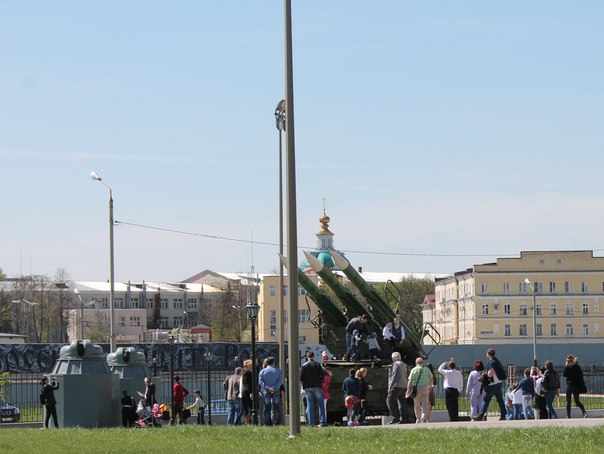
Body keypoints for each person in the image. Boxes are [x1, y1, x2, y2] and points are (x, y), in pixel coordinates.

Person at [474, 348, 507, 421]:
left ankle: (480, 416)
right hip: (499, 382)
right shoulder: (497, 361)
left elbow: (490, 373)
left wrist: (485, 375)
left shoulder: (492, 362)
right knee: (500, 400)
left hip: (493, 384)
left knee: (486, 399)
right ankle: (503, 415)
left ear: (488, 354)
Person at [300, 351, 326, 427]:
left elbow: (301, 377)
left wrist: (305, 383)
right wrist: (321, 381)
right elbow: (323, 375)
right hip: (317, 386)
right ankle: (322, 422)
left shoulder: (304, 366)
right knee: (321, 404)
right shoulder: (317, 365)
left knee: (309, 405)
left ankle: (311, 423)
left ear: (307, 357)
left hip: (308, 387)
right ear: (313, 356)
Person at [258, 356, 283, 426]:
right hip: (276, 390)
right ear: (274, 362)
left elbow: (260, 382)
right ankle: (277, 423)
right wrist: (274, 387)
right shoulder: (278, 371)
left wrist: (267, 388)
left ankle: (267, 423)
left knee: (267, 407)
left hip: (266, 391)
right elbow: (280, 381)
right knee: (276, 407)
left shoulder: (262, 371)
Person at [406, 357, 432, 423]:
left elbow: (410, 381)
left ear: (416, 363)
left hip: (416, 389)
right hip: (425, 388)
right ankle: (423, 418)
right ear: (422, 362)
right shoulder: (427, 369)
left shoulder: (413, 370)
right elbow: (431, 379)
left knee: (417, 405)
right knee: (425, 404)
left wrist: (408, 389)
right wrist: (430, 386)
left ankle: (418, 418)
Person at [386, 351, 407, 424]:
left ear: (394, 358)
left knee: (389, 401)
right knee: (402, 403)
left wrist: (391, 387)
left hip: (397, 386)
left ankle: (395, 418)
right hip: (403, 386)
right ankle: (403, 419)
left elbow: (395, 376)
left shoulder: (396, 364)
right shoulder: (403, 364)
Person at [241, 359, 253, 424]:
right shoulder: (248, 374)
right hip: (248, 392)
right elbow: (248, 385)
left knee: (247, 408)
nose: (252, 367)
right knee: (249, 408)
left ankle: (247, 422)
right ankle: (247, 422)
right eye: (250, 366)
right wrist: (251, 392)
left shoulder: (245, 374)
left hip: (246, 392)